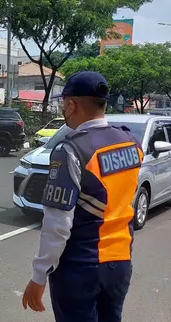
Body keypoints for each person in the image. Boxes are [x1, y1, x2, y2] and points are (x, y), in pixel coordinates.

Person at [22, 71, 142, 322]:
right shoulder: (130, 141)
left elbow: (57, 224)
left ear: (71, 105)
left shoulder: (71, 149)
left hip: (81, 267)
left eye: (63, 104)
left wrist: (39, 275)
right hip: (120, 262)